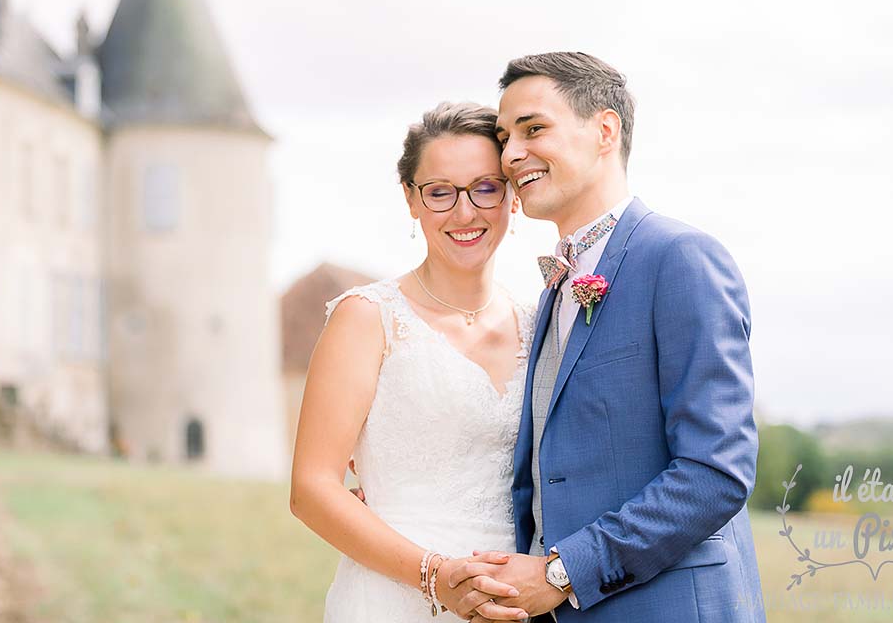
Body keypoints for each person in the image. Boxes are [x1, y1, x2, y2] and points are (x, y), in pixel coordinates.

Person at [448, 52, 765, 622]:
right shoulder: (551, 294)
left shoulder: (679, 259)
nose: (511, 153)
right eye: (504, 136)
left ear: (604, 130)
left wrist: (560, 573)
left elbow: (715, 471)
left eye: (533, 128)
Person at [291, 102, 534, 622]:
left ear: (512, 197)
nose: (464, 213)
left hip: (514, 602)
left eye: (485, 187)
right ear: (411, 200)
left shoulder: (540, 326)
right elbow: (312, 489)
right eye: (440, 192)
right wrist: (434, 576)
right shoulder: (367, 318)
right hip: (392, 596)